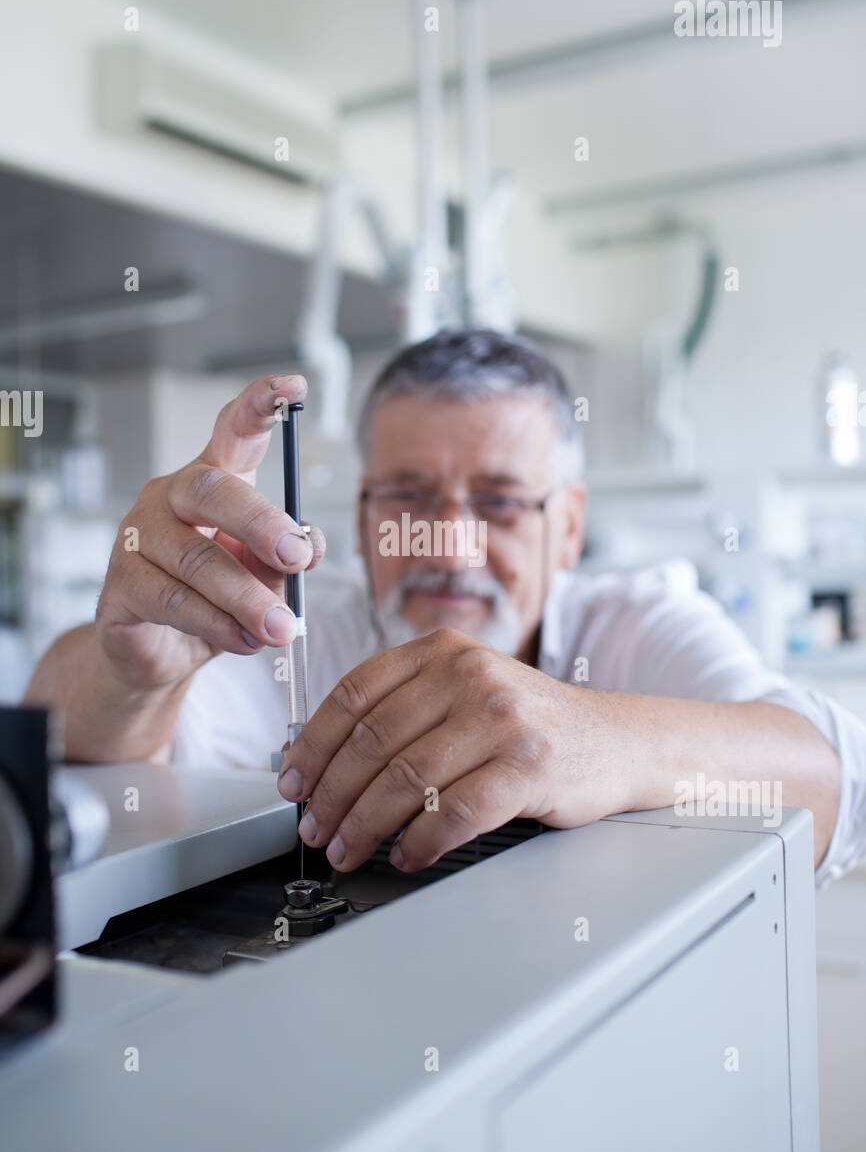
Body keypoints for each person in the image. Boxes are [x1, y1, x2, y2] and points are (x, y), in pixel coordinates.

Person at [25, 329, 866, 882]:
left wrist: (587, 730)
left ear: (567, 527)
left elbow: (832, 778)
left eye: (500, 502)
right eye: (409, 496)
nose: (450, 545)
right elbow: (84, 752)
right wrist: (129, 672)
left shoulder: (632, 624)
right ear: (359, 515)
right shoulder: (300, 635)